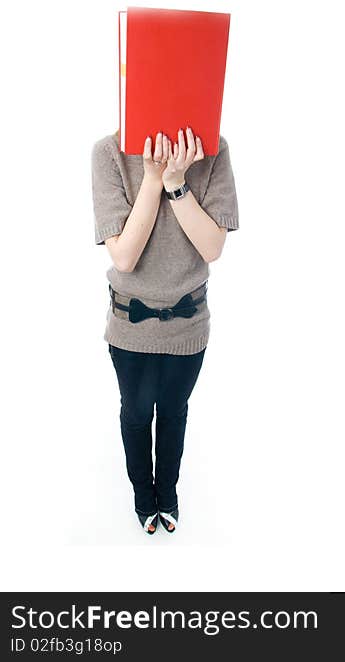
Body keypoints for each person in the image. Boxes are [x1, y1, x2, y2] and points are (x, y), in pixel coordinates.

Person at [92, 127, 238, 534]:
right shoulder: (108, 153)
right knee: (137, 414)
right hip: (130, 324)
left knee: (173, 412)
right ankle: (144, 499)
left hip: (188, 321)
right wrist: (153, 179)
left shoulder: (214, 149)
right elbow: (124, 256)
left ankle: (167, 496)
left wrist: (176, 183)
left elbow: (212, 248)